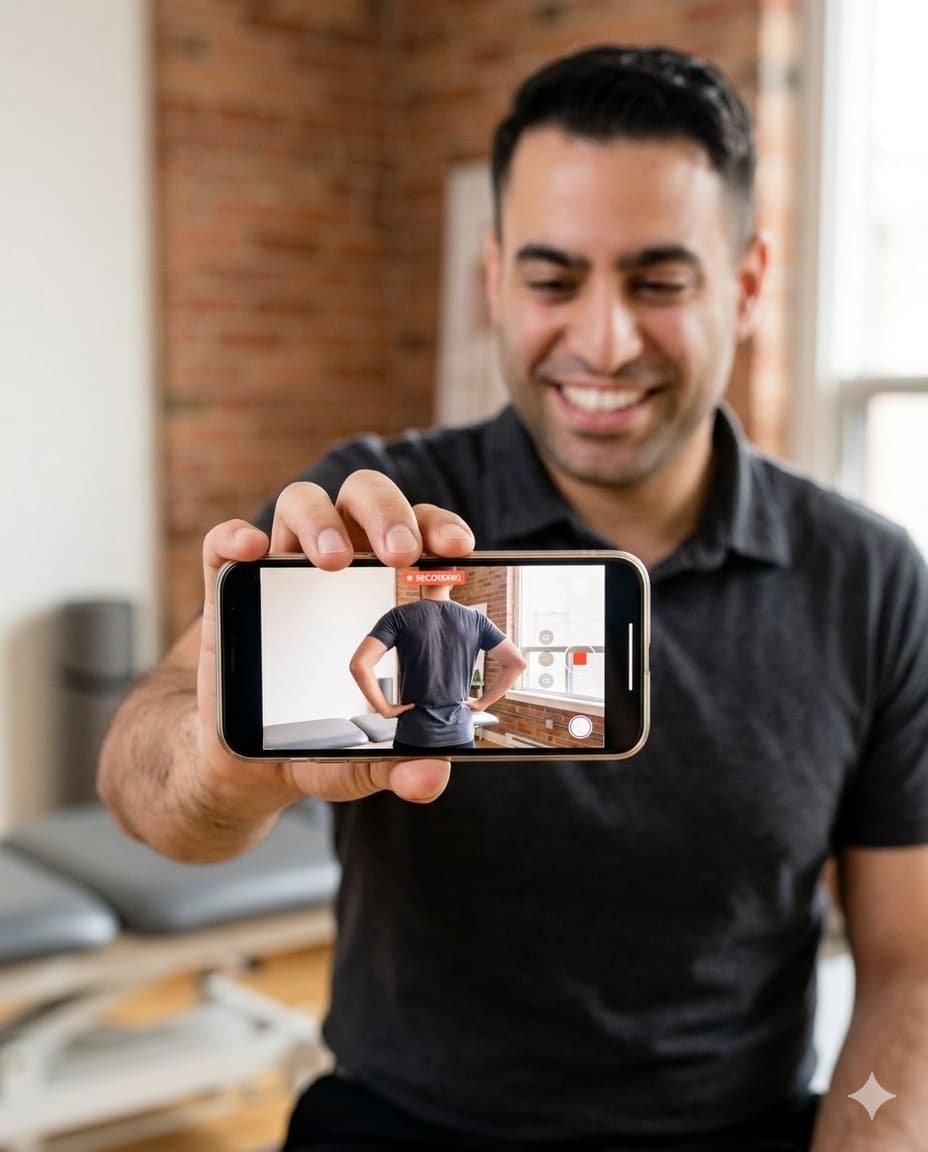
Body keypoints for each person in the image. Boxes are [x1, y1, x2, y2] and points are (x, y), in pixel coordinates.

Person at [98, 45, 928, 1152]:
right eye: (551, 279)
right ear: (493, 276)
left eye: (658, 280)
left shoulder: (870, 580)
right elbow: (140, 785)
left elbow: (911, 967)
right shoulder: (371, 515)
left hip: (733, 1129)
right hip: (404, 1123)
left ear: (744, 280)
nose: (600, 340)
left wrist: (867, 1134)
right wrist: (225, 760)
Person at [348, 573, 526, 754]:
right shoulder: (476, 619)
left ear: (419, 578)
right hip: (460, 736)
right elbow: (516, 663)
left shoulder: (399, 616)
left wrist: (385, 709)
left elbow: (359, 664)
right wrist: (482, 703)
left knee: (408, 783)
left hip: (414, 736)